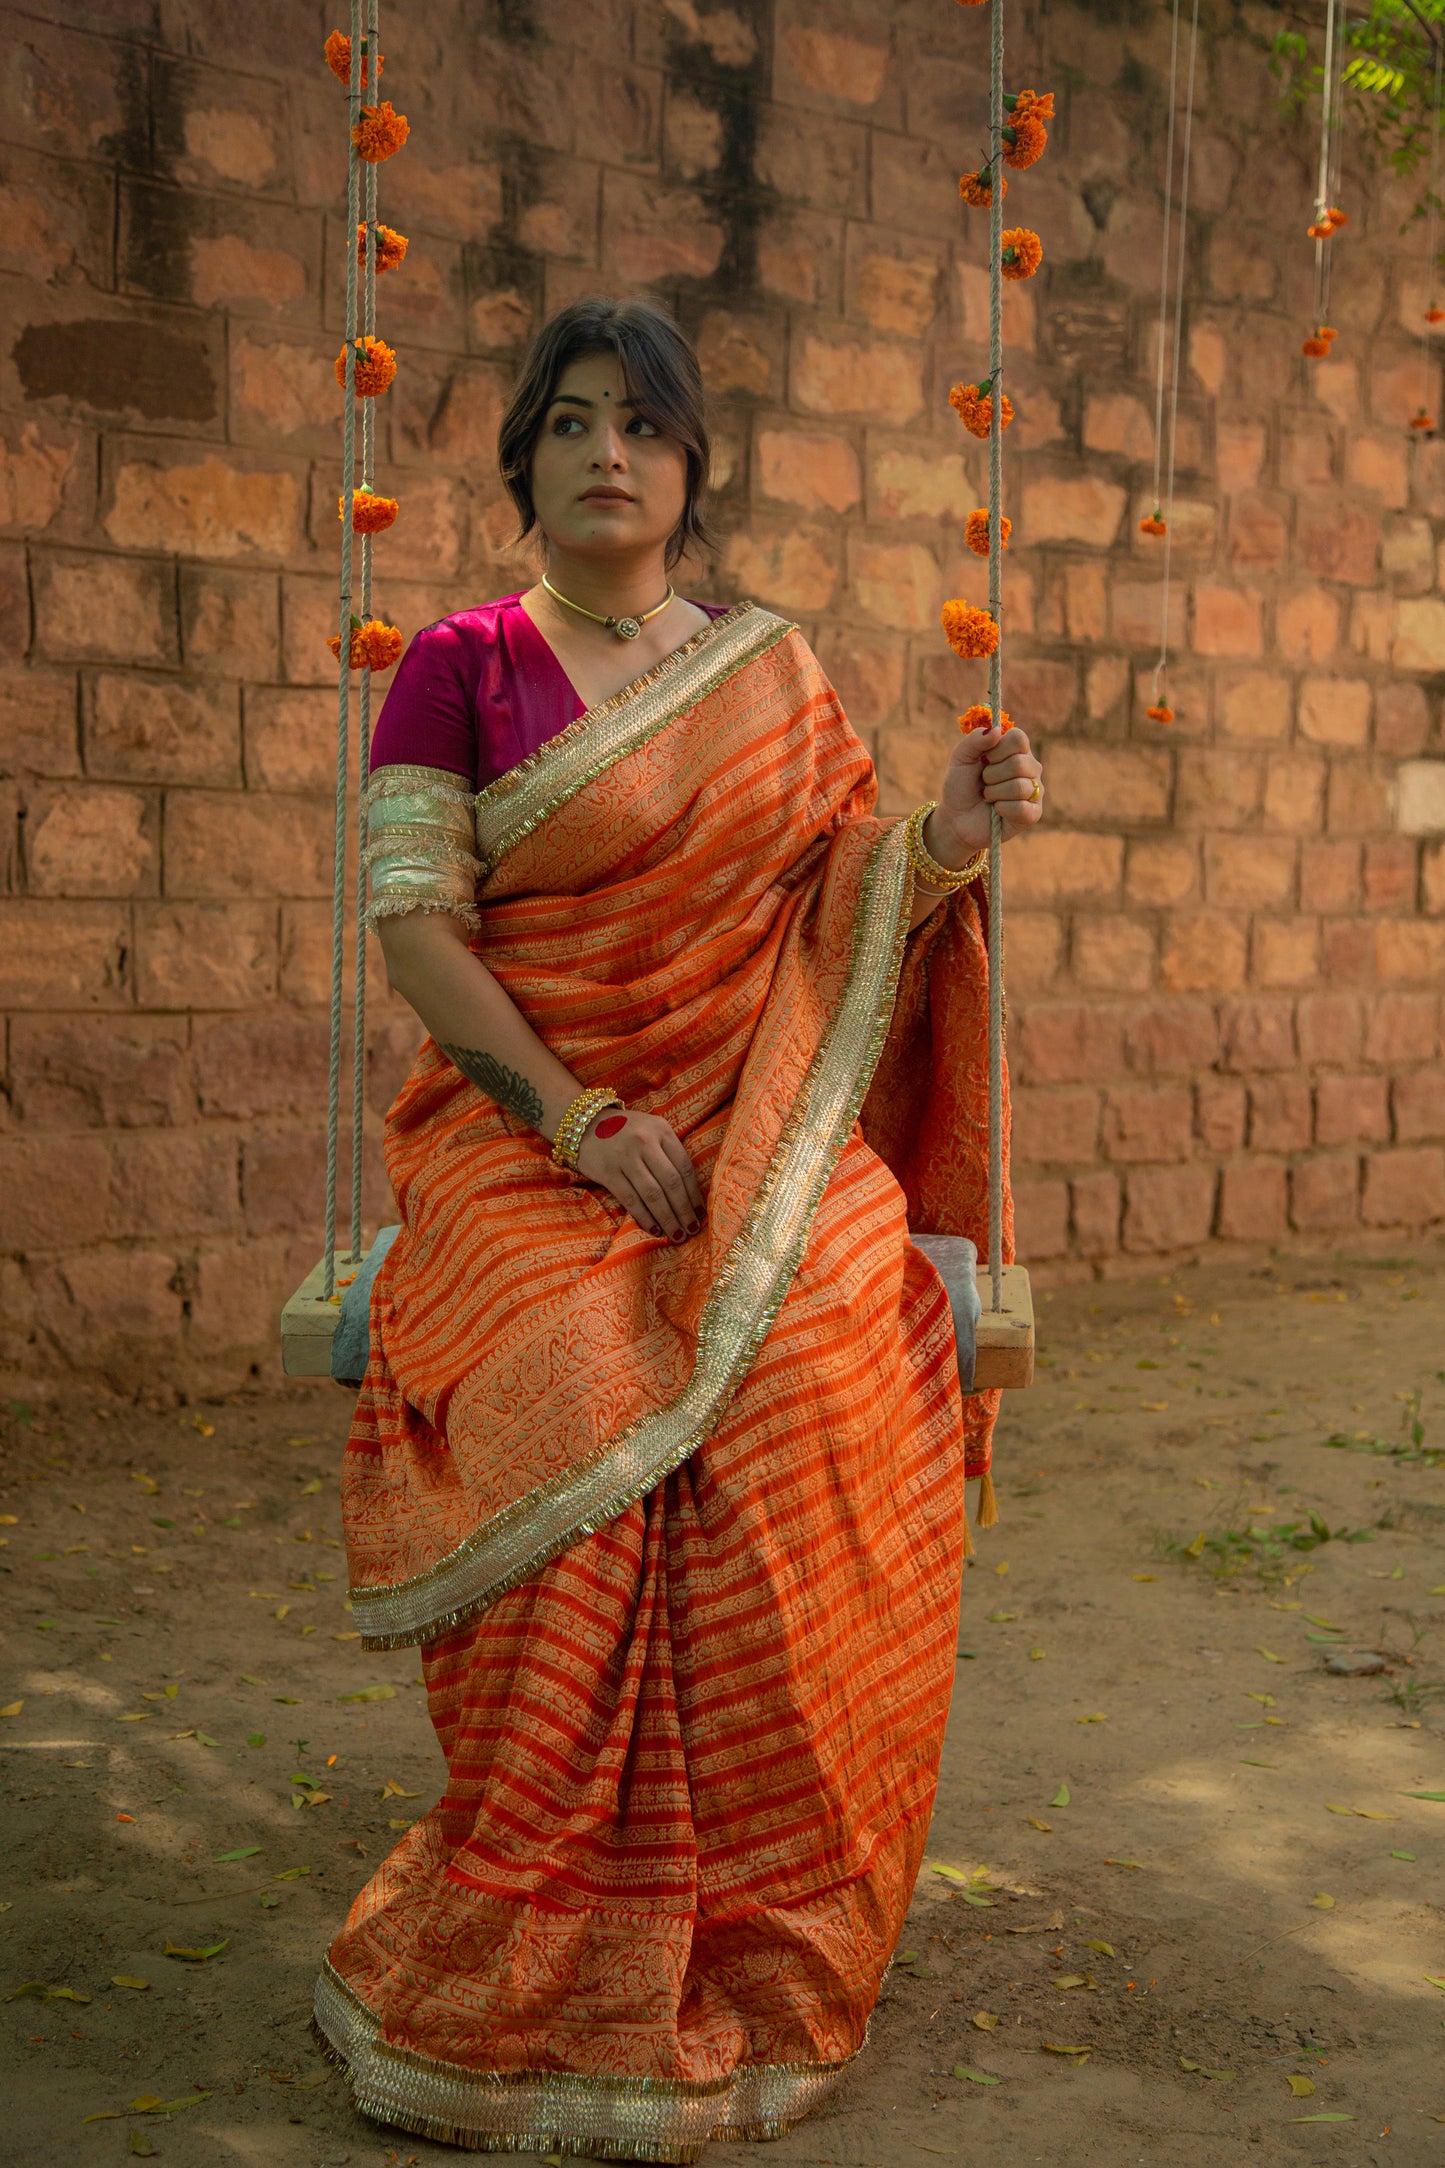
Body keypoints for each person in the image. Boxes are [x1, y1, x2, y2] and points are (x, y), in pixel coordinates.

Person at [313, 295, 1045, 2161]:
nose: (606, 455)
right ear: (524, 466)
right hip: (518, 1134)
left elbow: (841, 899)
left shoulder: (769, 675)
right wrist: (574, 1118)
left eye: (640, 425)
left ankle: (758, 1902)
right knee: (571, 1378)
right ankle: (540, 1897)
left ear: (691, 467)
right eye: (567, 424)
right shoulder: (457, 666)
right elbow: (419, 935)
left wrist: (947, 837)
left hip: (754, 1121)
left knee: (814, 1361)